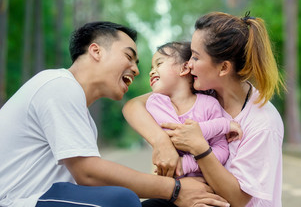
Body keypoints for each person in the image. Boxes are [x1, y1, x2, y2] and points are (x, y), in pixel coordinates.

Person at [0, 21, 229, 207]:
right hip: (15, 201)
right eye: (129, 57)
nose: (137, 70)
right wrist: (175, 190)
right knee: (121, 201)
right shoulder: (59, 85)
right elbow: (88, 174)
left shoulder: (82, 115)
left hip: (39, 198)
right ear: (96, 51)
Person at [123, 11, 284, 207]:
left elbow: (239, 198)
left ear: (223, 68)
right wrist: (161, 142)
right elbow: (134, 106)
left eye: (196, 58)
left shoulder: (263, 123)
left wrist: (199, 147)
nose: (189, 64)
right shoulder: (203, 92)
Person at [146, 41, 242, 177]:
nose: (151, 71)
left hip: (209, 188)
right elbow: (178, 136)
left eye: (159, 64)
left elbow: (222, 151)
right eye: (151, 67)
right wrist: (224, 124)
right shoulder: (156, 102)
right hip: (171, 189)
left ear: (184, 68)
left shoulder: (210, 104)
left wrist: (185, 164)